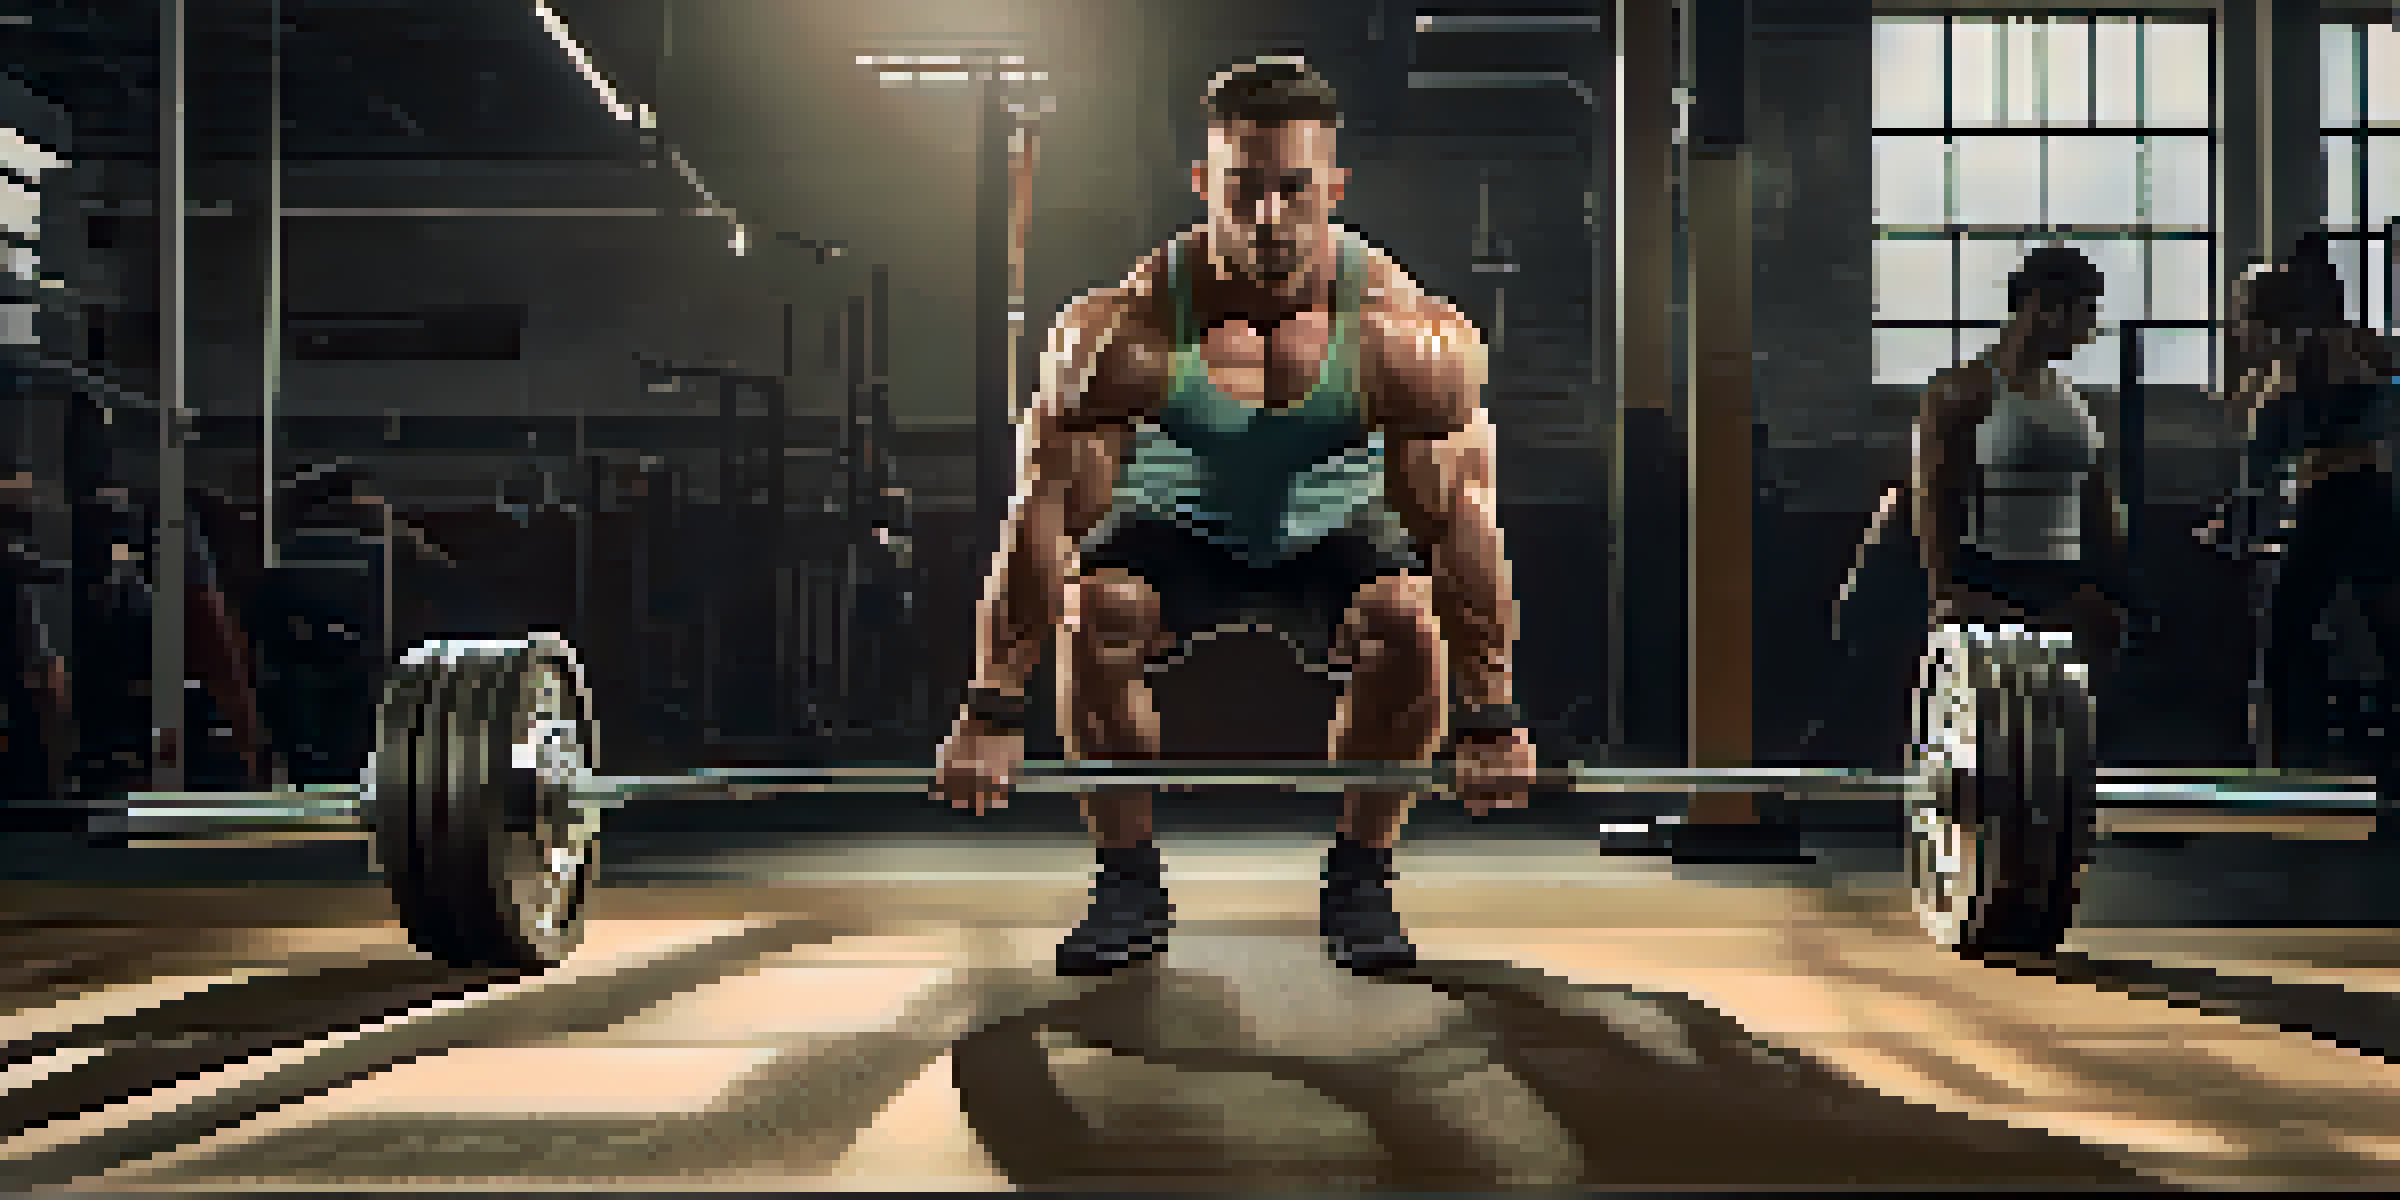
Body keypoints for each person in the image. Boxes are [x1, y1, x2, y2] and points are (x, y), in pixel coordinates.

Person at [932, 56, 1538, 977]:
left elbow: (1461, 520)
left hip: (1336, 526)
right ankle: (1128, 881)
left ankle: (1362, 877)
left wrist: (1492, 714)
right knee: (1098, 612)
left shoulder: (1400, 338)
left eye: (1294, 190)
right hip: (1177, 521)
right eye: (1242, 190)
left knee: (1407, 623)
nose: (1267, 218)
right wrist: (990, 706)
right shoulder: (1120, 334)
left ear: (1332, 185)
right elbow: (1044, 515)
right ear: (1202, 183)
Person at [2198, 234, 2400, 771]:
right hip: (2371, 504)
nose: (2236, 329)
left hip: (2337, 507)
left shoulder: (2304, 365)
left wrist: (2236, 522)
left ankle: (2278, 767)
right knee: (2386, 636)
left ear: (2264, 319)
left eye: (2241, 317)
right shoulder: (2326, 358)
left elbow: (2264, 470)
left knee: (2283, 638)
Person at [1913, 245, 2139, 690]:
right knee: (1999, 722)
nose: (2090, 330)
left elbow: (2095, 492)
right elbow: (1933, 495)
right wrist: (1945, 592)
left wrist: (2113, 586)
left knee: (2063, 724)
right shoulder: (1963, 390)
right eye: (2085, 312)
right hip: (1992, 577)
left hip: (2069, 582)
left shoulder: (2070, 399)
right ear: (2043, 306)